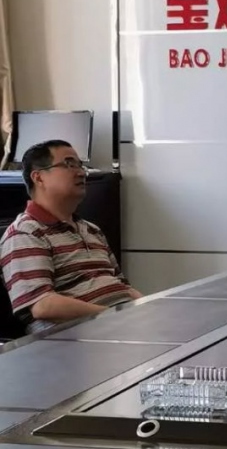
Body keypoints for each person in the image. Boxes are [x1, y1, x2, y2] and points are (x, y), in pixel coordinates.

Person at [0, 140, 141, 333]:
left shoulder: (91, 230)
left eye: (80, 165)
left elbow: (123, 287)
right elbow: (42, 305)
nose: (81, 172)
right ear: (38, 178)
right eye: (69, 164)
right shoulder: (25, 232)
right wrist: (113, 317)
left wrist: (148, 309)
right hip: (77, 338)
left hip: (120, 326)